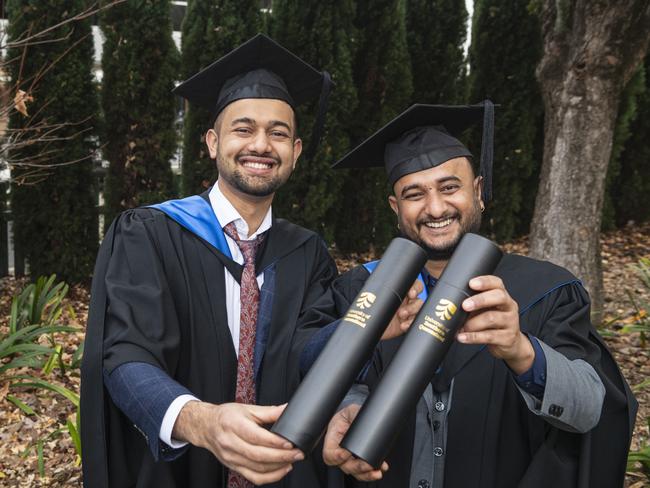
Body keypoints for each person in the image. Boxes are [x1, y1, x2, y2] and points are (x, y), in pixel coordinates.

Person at [80, 34, 391, 488]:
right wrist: (200, 421)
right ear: (212, 142)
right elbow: (124, 354)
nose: (261, 145)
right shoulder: (151, 233)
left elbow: (308, 351)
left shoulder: (307, 253)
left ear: (296, 152)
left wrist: (367, 327)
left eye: (278, 133)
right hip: (179, 471)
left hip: (283, 469)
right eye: (243, 129)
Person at [317, 102, 637, 488]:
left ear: (479, 191)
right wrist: (349, 405)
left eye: (449, 187)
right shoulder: (360, 291)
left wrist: (522, 350)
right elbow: (330, 377)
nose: (435, 207)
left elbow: (589, 409)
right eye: (414, 193)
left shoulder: (547, 291)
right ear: (395, 208)